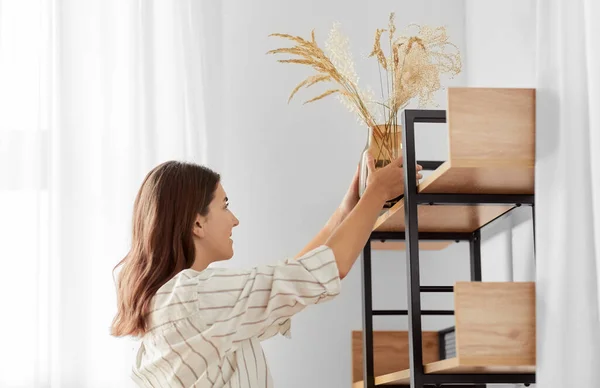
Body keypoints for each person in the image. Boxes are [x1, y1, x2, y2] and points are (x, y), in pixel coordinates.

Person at [111, 153, 422, 387]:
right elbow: (323, 271)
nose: (234, 220)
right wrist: (377, 193)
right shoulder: (196, 296)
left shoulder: (175, 300)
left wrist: (347, 209)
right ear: (197, 223)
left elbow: (292, 278)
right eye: (225, 205)